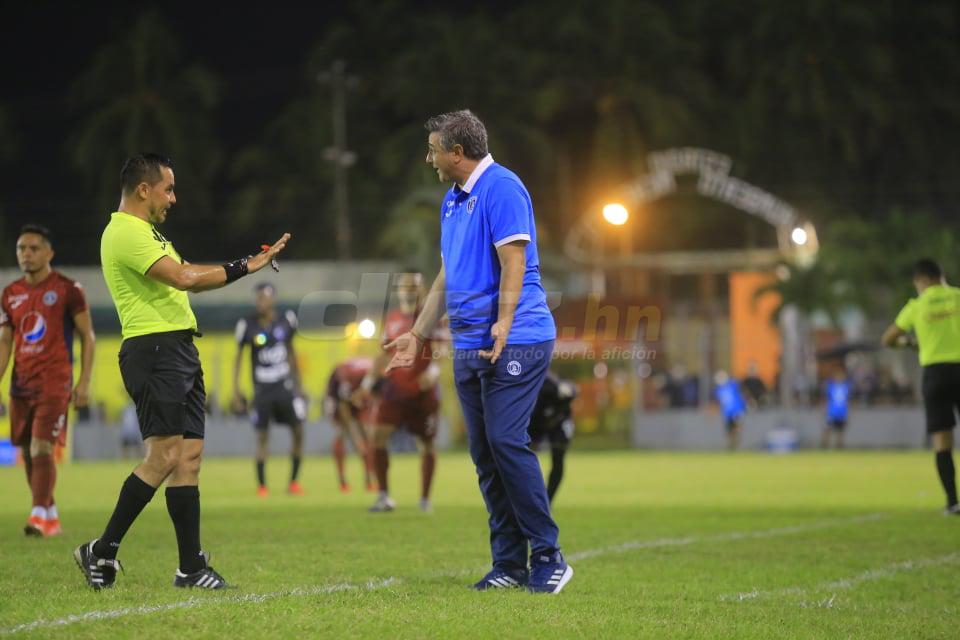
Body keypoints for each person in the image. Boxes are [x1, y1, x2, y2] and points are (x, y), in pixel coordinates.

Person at [74, 153, 290, 591]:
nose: (173, 197)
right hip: (154, 351)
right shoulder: (125, 233)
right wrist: (246, 265)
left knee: (188, 459)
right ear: (143, 189)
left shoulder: (149, 234)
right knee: (165, 456)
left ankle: (190, 567)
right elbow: (185, 278)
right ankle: (100, 551)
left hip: (178, 348)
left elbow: (183, 277)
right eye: (168, 189)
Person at [385, 110, 572, 593]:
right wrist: (419, 335)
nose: (429, 159)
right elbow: (448, 276)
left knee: (507, 441)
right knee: (486, 453)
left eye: (433, 150)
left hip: (517, 337)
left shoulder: (503, 187)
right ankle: (509, 564)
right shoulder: (452, 200)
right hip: (470, 343)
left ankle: (549, 555)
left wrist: (503, 324)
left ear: (457, 153)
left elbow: (514, 261)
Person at [0, 224, 95, 537]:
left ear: (49, 252)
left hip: (55, 382)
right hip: (20, 384)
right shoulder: (10, 294)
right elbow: (5, 343)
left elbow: (87, 336)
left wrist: (83, 382)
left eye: (33, 248)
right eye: (21, 249)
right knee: (27, 450)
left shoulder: (68, 289)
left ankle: (38, 515)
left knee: (42, 446)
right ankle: (50, 514)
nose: (26, 255)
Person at [358, 272, 442, 513]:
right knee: (376, 438)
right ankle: (383, 496)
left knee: (426, 444)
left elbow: (441, 350)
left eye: (413, 286)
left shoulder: (431, 317)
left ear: (422, 289)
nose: (409, 290)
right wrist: (366, 385)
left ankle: (425, 499)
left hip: (421, 391)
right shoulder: (393, 318)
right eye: (405, 286)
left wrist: (433, 372)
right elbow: (383, 353)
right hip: (394, 389)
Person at [882, 258, 960, 516]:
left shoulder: (917, 306)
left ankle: (952, 502)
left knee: (942, 440)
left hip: (935, 373)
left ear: (922, 280)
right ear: (942, 275)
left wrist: (910, 343)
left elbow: (888, 338)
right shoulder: (958, 296)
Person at [232, 283, 306, 497]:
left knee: (298, 431)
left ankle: (293, 482)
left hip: (284, 387)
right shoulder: (246, 324)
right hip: (262, 390)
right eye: (258, 298)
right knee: (263, 436)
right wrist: (236, 390)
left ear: (273, 299)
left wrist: (299, 384)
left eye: (264, 298)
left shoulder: (287, 321)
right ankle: (262, 485)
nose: (260, 302)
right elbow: (238, 358)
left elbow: (292, 352)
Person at [323, 357, 376, 492]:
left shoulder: (375, 373)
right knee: (342, 433)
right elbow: (343, 405)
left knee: (368, 437)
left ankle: (369, 478)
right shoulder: (346, 377)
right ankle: (342, 480)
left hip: (356, 395)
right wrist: (354, 435)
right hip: (338, 400)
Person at [528, 371, 577, 504]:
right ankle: (533, 496)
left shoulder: (550, 385)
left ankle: (547, 501)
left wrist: (568, 390)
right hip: (535, 424)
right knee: (525, 458)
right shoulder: (522, 393)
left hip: (558, 421)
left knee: (558, 457)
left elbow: (572, 390)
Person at [714, 370, 747, 450]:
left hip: (736, 411)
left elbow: (740, 388)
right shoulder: (718, 390)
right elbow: (720, 402)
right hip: (727, 413)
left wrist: (744, 405)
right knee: (728, 430)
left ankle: (734, 442)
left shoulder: (732, 385)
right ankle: (731, 444)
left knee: (736, 427)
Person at [821, 368, 851, 449]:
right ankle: (824, 446)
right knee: (828, 429)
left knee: (840, 431)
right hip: (832, 412)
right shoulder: (831, 386)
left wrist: (848, 412)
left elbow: (847, 400)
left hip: (842, 412)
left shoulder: (846, 387)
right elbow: (827, 399)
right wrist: (825, 410)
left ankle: (839, 446)